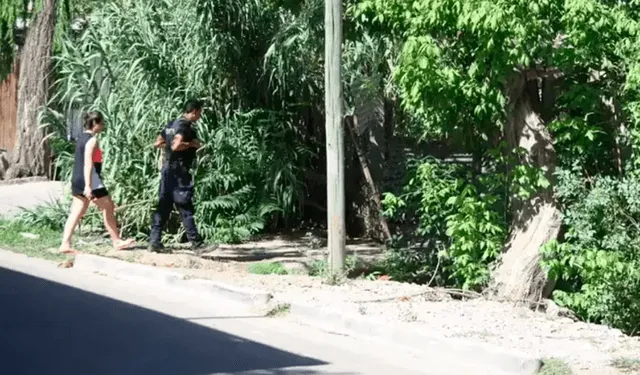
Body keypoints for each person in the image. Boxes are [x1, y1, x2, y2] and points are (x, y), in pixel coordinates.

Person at [59, 111, 135, 253]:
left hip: (77, 178)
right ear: (94, 124)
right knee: (108, 207)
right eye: (101, 123)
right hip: (90, 181)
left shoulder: (81, 137)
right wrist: (88, 186)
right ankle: (116, 241)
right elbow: (88, 163)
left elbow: (90, 159)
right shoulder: (92, 140)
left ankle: (65, 243)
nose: (103, 125)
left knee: (76, 212)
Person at [149, 99, 205, 254]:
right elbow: (176, 145)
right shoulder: (184, 126)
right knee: (185, 205)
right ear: (194, 111)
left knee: (164, 206)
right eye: (200, 112)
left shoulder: (170, 124)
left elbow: (157, 143)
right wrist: (192, 145)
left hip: (167, 170)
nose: (200, 115)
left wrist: (170, 149)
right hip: (179, 172)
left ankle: (154, 242)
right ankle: (197, 244)